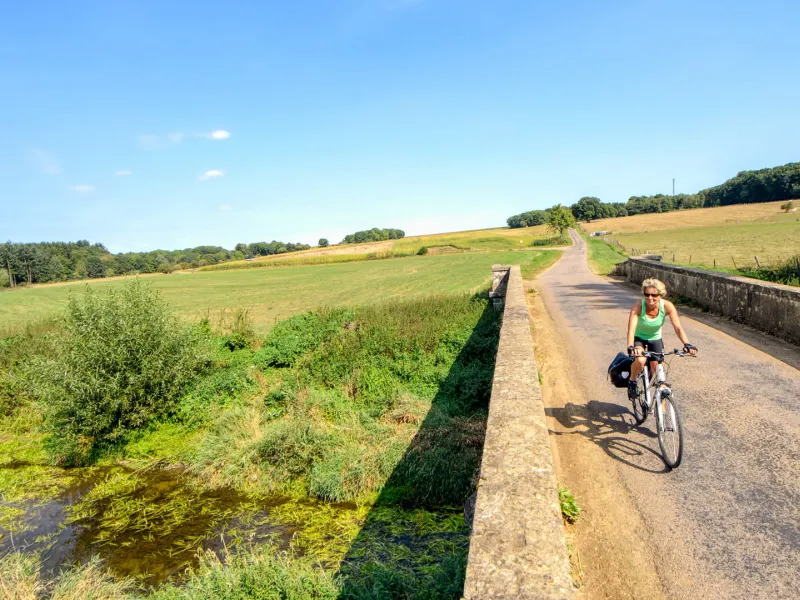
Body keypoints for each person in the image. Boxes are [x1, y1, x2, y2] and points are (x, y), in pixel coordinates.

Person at [626, 278, 697, 401]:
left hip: (655, 338)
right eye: (647, 294)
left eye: (654, 295)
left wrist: (687, 344)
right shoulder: (638, 306)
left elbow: (678, 328)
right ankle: (632, 381)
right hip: (639, 338)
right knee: (641, 360)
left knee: (657, 372)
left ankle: (661, 412)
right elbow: (631, 330)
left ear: (661, 295)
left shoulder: (667, 306)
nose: (650, 298)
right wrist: (631, 347)